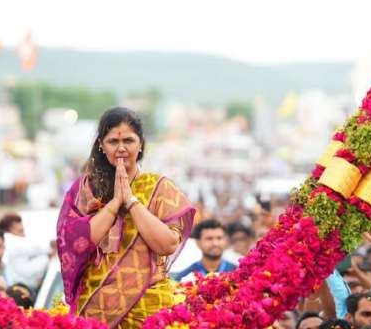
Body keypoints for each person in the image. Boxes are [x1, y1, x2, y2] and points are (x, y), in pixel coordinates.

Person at [56, 107, 195, 328]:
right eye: (113, 141)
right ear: (101, 145)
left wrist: (131, 202)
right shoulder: (85, 189)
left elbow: (168, 245)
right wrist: (113, 205)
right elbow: (78, 243)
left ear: (140, 144)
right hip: (96, 307)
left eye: (129, 140)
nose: (121, 148)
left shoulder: (160, 188)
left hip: (149, 308)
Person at [171, 219, 237, 282]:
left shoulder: (236, 273)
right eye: (209, 239)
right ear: (198, 243)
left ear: (225, 241)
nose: (215, 243)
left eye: (219, 238)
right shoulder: (186, 277)